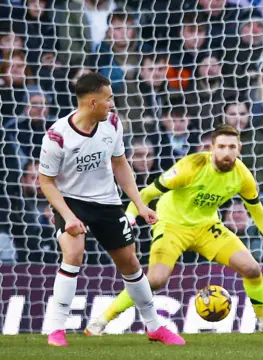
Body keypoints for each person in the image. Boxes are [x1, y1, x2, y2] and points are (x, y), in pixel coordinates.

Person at [85, 124, 263, 336]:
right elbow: (148, 193)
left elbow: (257, 210)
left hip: (206, 227)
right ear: (212, 148)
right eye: (221, 147)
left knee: (251, 269)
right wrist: (132, 214)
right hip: (172, 225)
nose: (227, 152)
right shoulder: (190, 166)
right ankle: (101, 321)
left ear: (239, 149)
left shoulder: (242, 175)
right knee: (155, 280)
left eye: (232, 147)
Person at [38, 72, 184, 346]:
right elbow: (46, 182)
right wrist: (68, 217)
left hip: (106, 201)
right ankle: (56, 329)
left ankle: (154, 327)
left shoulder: (113, 123)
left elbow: (120, 164)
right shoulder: (57, 136)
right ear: (92, 102)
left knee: (129, 263)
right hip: (71, 201)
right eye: (109, 99)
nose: (113, 104)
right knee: (73, 252)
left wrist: (139, 204)